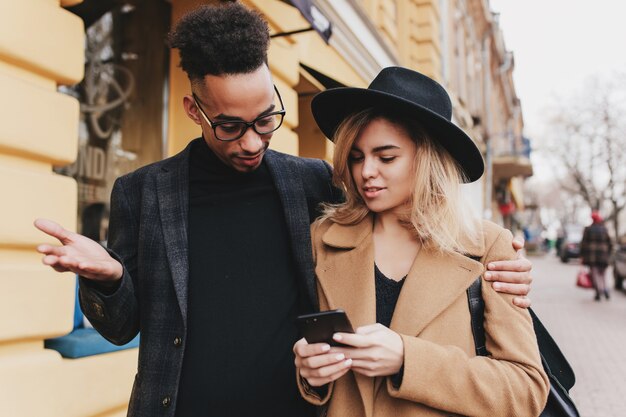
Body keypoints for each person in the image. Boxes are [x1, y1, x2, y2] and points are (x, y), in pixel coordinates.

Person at [34, 4, 533, 417]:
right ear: (195, 111)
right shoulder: (140, 193)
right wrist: (108, 278)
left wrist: (507, 261)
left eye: (267, 117)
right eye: (231, 125)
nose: (253, 141)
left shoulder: (315, 183)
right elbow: (123, 327)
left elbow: (418, 229)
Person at [294, 67, 549, 416]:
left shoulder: (487, 246)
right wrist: (311, 376)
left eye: (386, 157)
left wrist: (406, 358)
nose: (366, 171)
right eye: (356, 157)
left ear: (427, 159)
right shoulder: (323, 239)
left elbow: (526, 390)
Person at [580, 210, 613, 301]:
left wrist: (582, 255)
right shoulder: (604, 229)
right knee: (602, 274)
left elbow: (583, 243)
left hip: (592, 256)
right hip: (603, 256)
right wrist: (608, 253)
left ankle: (599, 291)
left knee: (595, 274)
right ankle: (605, 289)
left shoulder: (588, 229)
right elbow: (610, 243)